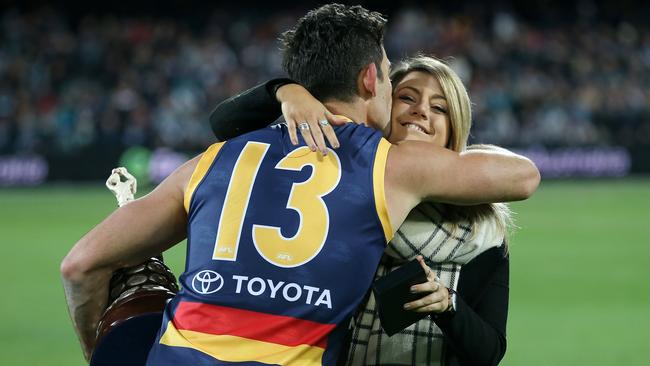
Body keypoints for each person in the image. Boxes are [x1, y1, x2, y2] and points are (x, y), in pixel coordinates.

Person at [61, 4, 539, 366]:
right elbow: (523, 176)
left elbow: (80, 266)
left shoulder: (209, 161)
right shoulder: (393, 167)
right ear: (372, 79)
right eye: (395, 82)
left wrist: (101, 348)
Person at [210, 55, 514, 365]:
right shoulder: (338, 191)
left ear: (454, 129)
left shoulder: (481, 229)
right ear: (384, 109)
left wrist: (448, 305)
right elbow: (224, 124)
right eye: (406, 98)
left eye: (439, 108)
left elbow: (489, 352)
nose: (421, 110)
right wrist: (286, 92)